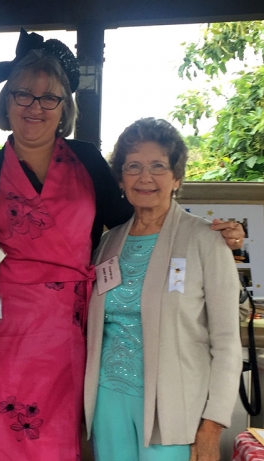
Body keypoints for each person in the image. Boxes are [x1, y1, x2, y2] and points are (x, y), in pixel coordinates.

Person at [0, 29, 244, 461]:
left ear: (64, 107)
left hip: (64, 339)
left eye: (50, 98)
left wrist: (212, 234)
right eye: (23, 95)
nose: (36, 106)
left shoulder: (85, 160)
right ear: (6, 103)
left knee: (51, 446)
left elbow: (141, 215)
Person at [84, 117, 242, 461]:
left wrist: (212, 426)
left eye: (158, 165)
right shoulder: (108, 243)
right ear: (121, 179)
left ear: (176, 177)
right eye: (133, 166)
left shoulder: (205, 240)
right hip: (108, 405)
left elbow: (228, 343)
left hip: (176, 412)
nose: (145, 177)